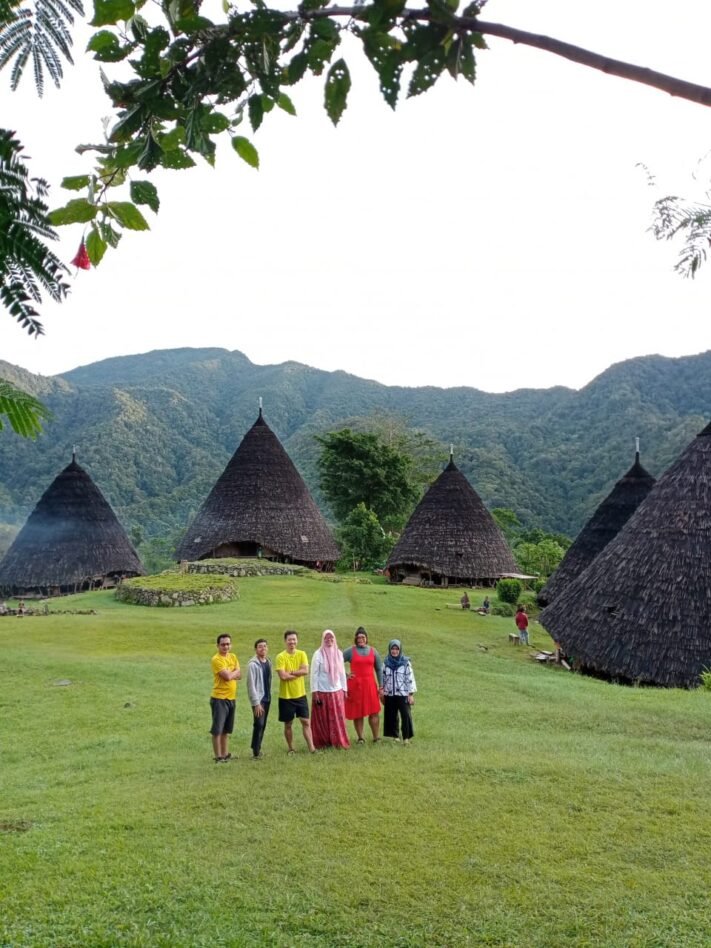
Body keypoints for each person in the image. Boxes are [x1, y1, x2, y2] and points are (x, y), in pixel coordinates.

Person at [275, 630, 315, 754]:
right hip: (286, 696)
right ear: (285, 641)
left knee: (306, 722)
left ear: (297, 640)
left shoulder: (302, 654)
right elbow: (283, 677)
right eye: (289, 639)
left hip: (300, 695)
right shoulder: (280, 656)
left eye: (294, 639)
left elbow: (305, 671)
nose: (292, 642)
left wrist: (291, 673)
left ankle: (312, 748)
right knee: (288, 724)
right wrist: (297, 673)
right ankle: (291, 748)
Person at [310, 630, 350, 749]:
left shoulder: (338, 653)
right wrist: (314, 691)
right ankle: (322, 742)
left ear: (334, 639)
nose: (329, 640)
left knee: (338, 718)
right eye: (326, 638)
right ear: (323, 640)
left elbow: (342, 673)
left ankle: (338, 741)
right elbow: (314, 674)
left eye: (331, 638)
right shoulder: (318, 654)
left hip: (336, 691)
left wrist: (345, 689)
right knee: (322, 719)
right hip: (322, 692)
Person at [343, 626, 382, 744]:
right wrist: (345, 675)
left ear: (366, 638)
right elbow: (336, 662)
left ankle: (376, 737)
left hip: (370, 686)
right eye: (358, 637)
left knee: (374, 712)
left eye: (363, 637)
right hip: (355, 686)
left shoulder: (373, 651)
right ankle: (360, 738)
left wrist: (381, 686)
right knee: (358, 713)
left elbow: (379, 669)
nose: (360, 639)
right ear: (355, 639)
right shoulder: (350, 651)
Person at [210, 633, 241, 762]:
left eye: (228, 644)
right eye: (223, 644)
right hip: (219, 699)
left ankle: (225, 753)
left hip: (231, 698)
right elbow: (227, 677)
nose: (226, 646)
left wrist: (232, 673)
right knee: (218, 729)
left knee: (226, 730)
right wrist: (233, 673)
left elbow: (239, 675)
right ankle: (218, 756)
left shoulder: (233, 657)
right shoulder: (216, 659)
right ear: (218, 645)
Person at [382, 639, 416, 745]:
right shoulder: (386, 663)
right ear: (390, 649)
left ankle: (406, 738)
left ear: (400, 650)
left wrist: (410, 694)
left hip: (403, 694)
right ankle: (395, 736)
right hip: (390, 694)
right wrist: (382, 692)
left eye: (397, 649)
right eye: (393, 648)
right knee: (391, 715)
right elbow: (382, 678)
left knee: (405, 715)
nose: (394, 651)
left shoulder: (406, 663)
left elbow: (410, 678)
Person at [247, 638, 272, 759]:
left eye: (265, 646)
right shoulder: (252, 664)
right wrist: (256, 703)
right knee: (259, 724)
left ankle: (257, 748)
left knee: (263, 724)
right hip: (259, 699)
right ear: (256, 649)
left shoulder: (268, 662)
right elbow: (251, 685)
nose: (263, 648)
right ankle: (255, 752)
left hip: (267, 698)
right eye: (260, 646)